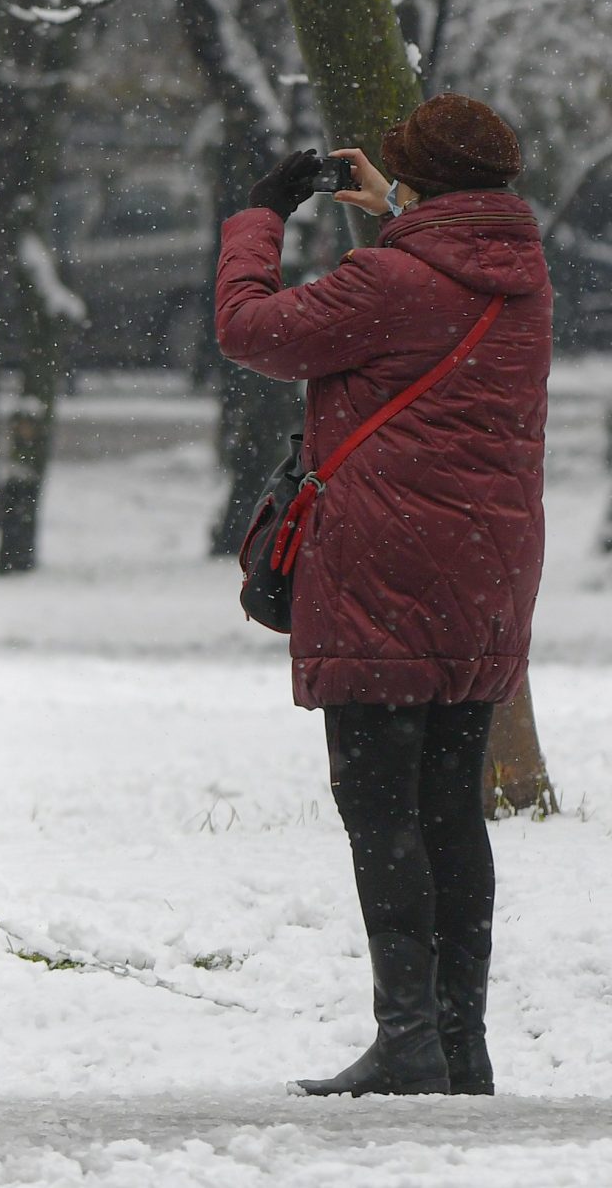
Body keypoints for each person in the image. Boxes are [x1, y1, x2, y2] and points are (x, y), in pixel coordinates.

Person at [217, 94, 550, 1097]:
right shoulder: (520, 279)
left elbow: (250, 330)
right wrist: (400, 212)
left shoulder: (388, 278)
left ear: (419, 185)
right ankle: (459, 1044)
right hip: (485, 571)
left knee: (377, 807)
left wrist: (257, 219)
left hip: (380, 566)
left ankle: (406, 1040)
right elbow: (426, 290)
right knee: (450, 808)